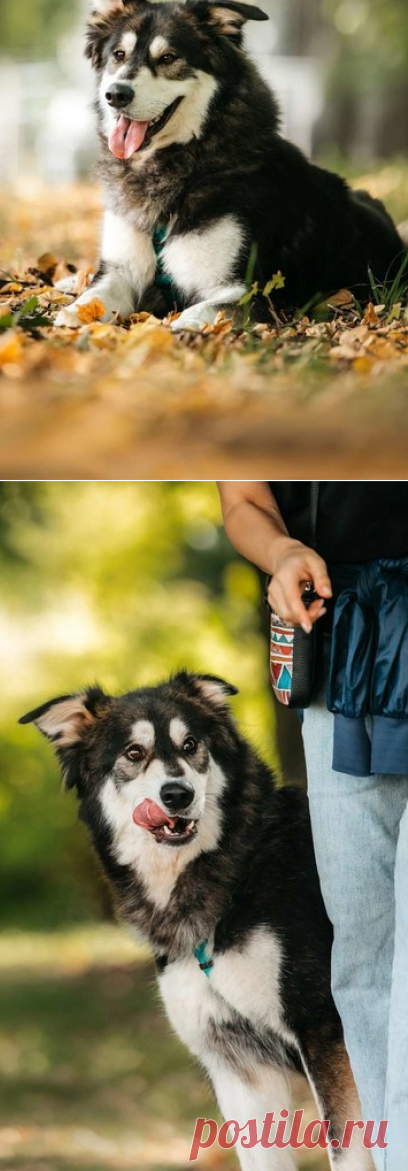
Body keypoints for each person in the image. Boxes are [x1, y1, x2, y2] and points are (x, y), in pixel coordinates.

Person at [217, 483, 408, 1171]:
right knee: (364, 954)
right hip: (341, 643)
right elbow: (243, 496)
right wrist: (281, 552)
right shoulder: (236, 374)